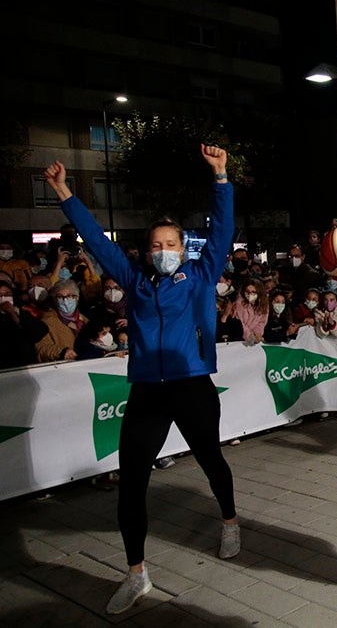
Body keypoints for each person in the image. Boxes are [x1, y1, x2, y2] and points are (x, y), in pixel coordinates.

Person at [43, 145, 241, 615]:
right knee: (131, 482)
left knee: (211, 460)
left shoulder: (199, 276)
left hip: (192, 386)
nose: (163, 251)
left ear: (183, 249)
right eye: (156, 245)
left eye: (170, 244)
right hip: (148, 393)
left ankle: (230, 521)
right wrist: (64, 193)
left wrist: (221, 178)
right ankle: (137, 574)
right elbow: (97, 240)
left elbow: (222, 231)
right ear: (146, 251)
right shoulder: (134, 281)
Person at [35, 279, 87, 362]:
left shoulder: (84, 320)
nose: (65, 300)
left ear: (77, 298)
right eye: (60, 297)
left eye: (69, 296)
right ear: (55, 300)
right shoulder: (47, 322)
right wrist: (61, 352)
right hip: (64, 366)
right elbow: (41, 348)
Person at [0, 280, 48, 369]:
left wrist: (14, 314)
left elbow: (40, 331)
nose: (3, 298)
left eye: (7, 294)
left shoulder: (22, 312)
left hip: (26, 368)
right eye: (0, 295)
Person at [232, 277, 268, 344]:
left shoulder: (264, 305)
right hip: (239, 339)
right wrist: (250, 336)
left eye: (253, 292)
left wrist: (257, 334)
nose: (250, 294)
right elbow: (240, 324)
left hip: (255, 339)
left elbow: (262, 322)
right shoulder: (239, 304)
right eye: (247, 291)